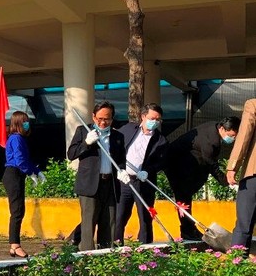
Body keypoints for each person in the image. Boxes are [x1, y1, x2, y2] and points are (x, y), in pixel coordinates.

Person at [164, 116, 240, 240]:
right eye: (231, 135)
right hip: (176, 166)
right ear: (222, 129)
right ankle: (187, 230)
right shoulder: (210, 141)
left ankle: (189, 229)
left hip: (189, 165)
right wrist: (225, 181)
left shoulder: (214, 127)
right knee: (183, 199)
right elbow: (211, 164)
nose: (233, 139)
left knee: (186, 196)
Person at [67, 101, 127, 251]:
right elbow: (71, 154)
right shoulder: (83, 131)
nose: (102, 122)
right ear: (93, 117)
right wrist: (87, 143)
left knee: (109, 222)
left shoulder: (117, 136)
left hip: (110, 184)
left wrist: (122, 171)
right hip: (89, 184)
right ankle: (86, 256)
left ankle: (106, 255)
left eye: (106, 119)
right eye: (99, 118)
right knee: (88, 222)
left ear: (112, 119)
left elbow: (120, 160)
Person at [113, 103, 169, 244]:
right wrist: (119, 169)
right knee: (120, 216)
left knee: (145, 217)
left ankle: (146, 247)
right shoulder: (127, 129)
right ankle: (116, 245)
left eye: (158, 119)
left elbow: (161, 162)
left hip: (144, 182)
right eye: (152, 118)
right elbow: (115, 147)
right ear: (143, 116)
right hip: (124, 180)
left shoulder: (161, 140)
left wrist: (148, 172)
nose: (155, 122)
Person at [3, 111, 45, 258]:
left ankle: (14, 245)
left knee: (19, 210)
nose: (27, 123)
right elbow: (20, 160)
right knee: (17, 211)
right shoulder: (16, 138)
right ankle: (15, 245)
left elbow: (26, 160)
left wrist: (37, 171)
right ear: (18, 123)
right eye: (24, 121)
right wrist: (30, 173)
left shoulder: (19, 139)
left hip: (17, 174)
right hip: (13, 174)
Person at [227, 100, 256, 255]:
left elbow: (244, 134)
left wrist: (233, 166)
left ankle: (236, 267)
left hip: (254, 174)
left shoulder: (253, 104)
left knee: (244, 223)